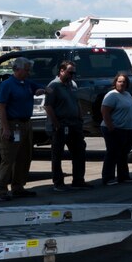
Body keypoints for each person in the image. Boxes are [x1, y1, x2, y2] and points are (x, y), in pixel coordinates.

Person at [0, 54, 37, 197]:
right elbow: (1, 107)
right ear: (17, 69)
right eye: (26, 70)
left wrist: (44, 90)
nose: (28, 72)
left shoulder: (27, 83)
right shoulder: (7, 85)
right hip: (13, 124)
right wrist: (6, 128)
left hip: (26, 124)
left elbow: (40, 88)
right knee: (9, 157)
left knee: (24, 156)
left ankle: (18, 186)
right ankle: (1, 189)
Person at [44, 57, 87, 191]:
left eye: (73, 73)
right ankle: (58, 183)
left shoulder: (72, 84)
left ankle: (78, 180)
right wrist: (56, 124)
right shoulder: (53, 86)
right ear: (61, 71)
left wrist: (80, 118)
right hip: (61, 124)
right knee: (57, 155)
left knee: (79, 152)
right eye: (70, 72)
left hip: (74, 124)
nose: (72, 75)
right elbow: (48, 107)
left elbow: (77, 102)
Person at [100, 70, 132, 186]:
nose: (121, 84)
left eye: (124, 82)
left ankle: (123, 176)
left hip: (128, 129)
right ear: (115, 82)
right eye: (119, 81)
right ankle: (108, 178)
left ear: (127, 84)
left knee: (123, 154)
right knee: (112, 153)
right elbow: (104, 111)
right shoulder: (112, 95)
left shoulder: (127, 95)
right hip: (115, 129)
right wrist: (111, 127)